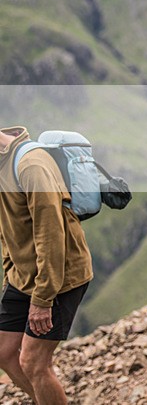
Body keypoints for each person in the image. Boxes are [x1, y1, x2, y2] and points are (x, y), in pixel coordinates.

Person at [0, 126, 93, 405]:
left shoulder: (31, 165)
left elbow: (51, 234)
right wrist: (10, 270)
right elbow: (8, 225)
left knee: (34, 362)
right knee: (4, 352)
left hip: (60, 276)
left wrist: (42, 300)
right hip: (22, 276)